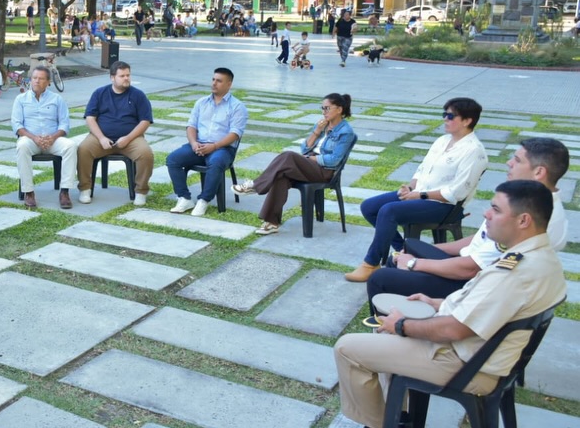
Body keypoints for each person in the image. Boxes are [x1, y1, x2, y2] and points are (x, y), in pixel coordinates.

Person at [329, 180, 566, 428]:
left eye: (495, 209)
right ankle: (398, 422)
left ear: (523, 220)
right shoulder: (538, 259)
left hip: (465, 364)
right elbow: (481, 307)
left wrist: (402, 325)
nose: (486, 215)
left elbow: (453, 329)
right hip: (480, 354)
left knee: (348, 349)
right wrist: (435, 303)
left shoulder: (514, 273)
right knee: (386, 337)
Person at [365, 138, 569, 317]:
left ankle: (392, 327)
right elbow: (478, 240)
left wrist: (414, 264)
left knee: (380, 278)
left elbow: (470, 269)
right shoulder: (531, 200)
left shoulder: (534, 215)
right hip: (467, 265)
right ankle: (399, 316)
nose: (509, 163)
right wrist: (428, 252)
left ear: (539, 171)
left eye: (517, 160)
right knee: (408, 247)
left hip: (471, 284)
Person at [345, 97, 488, 282]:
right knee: (369, 207)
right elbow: (422, 169)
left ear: (467, 121)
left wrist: (419, 195)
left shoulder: (474, 151)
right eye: (444, 114)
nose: (445, 118)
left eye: (450, 115)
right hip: (419, 194)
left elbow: (455, 193)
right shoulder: (442, 140)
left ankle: (371, 263)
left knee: (388, 211)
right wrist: (410, 187)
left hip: (443, 205)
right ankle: (405, 249)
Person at [233, 93, 356, 235]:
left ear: (339, 109)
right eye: (322, 108)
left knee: (288, 156)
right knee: (281, 176)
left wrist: (311, 159)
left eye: (327, 108)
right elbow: (304, 148)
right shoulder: (322, 125)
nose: (324, 112)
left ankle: (254, 185)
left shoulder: (346, 132)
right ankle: (272, 222)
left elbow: (334, 160)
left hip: (324, 171)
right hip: (310, 163)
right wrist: (317, 131)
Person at [167, 68, 248, 217]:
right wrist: (193, 143)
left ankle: (203, 200)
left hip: (222, 148)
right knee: (173, 159)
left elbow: (235, 134)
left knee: (216, 162)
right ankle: (184, 198)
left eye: (219, 81)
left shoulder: (237, 107)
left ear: (229, 84)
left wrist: (214, 146)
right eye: (213, 79)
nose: (214, 83)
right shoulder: (201, 102)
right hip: (199, 145)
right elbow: (191, 126)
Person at [77, 61, 154, 206]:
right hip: (101, 138)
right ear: (112, 77)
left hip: (131, 139)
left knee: (145, 154)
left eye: (128, 75)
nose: (126, 78)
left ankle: (141, 191)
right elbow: (90, 118)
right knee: (83, 150)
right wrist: (101, 138)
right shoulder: (100, 93)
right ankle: (85, 188)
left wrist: (128, 138)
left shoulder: (138, 95)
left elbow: (145, 121)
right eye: (122, 76)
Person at [12, 66, 77, 209]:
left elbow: (64, 125)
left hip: (52, 140)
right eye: (34, 78)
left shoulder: (57, 99)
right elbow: (17, 125)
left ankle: (65, 191)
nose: (36, 81)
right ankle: (29, 192)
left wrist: (53, 138)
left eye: (41, 79)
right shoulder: (21, 99)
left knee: (70, 146)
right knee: (21, 145)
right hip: (31, 140)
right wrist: (34, 138)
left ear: (48, 82)